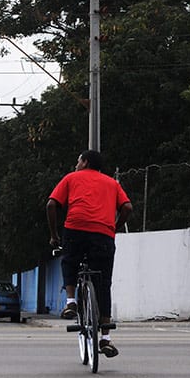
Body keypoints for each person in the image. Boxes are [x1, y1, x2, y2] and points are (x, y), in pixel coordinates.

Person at [46, 149, 132, 358]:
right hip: (103, 235)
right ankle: (105, 339)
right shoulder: (112, 183)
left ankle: (71, 302)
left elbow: (51, 204)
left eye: (78, 161)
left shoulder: (71, 178)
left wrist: (55, 235)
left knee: (69, 262)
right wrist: (113, 227)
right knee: (104, 283)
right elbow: (127, 207)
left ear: (84, 162)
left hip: (75, 229)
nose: (76, 164)